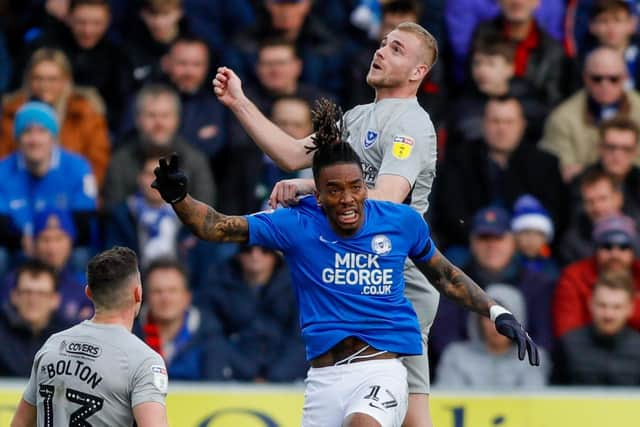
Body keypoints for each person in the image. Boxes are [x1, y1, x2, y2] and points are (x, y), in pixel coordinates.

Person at [151, 100, 539, 427]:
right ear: (316, 194)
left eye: (356, 187)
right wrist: (179, 198)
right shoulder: (297, 224)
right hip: (324, 379)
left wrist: (496, 310)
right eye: (334, 190)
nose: (348, 198)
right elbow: (217, 227)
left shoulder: (400, 221)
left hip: (381, 370)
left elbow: (446, 275)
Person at [213, 22, 441, 426]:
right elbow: (288, 153)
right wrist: (240, 103)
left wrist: (311, 186)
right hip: (355, 268)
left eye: (398, 49)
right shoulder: (357, 117)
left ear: (416, 72)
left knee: (410, 406)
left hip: (396, 272)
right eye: (384, 43)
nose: (383, 51)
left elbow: (388, 199)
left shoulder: (411, 125)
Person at [10, 246, 168, 427]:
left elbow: (19, 423)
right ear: (138, 293)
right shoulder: (144, 361)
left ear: (89, 293)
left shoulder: (53, 345)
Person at [1, 48, 110, 185]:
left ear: (66, 80)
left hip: (71, 191)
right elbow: (4, 159)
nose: (44, 86)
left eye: (52, 79)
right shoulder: (12, 112)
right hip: (19, 191)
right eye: (38, 78)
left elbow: (98, 164)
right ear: (28, 79)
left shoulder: (85, 111)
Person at [199, 244, 307, 382]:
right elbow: (213, 336)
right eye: (247, 249)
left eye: (265, 249)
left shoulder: (299, 285)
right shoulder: (216, 283)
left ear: (276, 254)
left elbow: (301, 339)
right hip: (232, 377)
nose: (255, 255)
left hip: (288, 380)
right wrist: (249, 375)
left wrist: (275, 378)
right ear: (237, 253)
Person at [0, 101, 97, 254]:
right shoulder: (3, 171)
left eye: (42, 131)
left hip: (66, 247)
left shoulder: (78, 167)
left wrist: (54, 244)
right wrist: (24, 241)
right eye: (27, 132)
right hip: (19, 246)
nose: (34, 140)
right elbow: (2, 223)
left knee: (82, 255)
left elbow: (84, 223)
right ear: (17, 140)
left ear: (54, 137)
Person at [103, 84, 214, 210]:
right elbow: (112, 214)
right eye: (151, 115)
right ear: (138, 119)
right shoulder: (120, 162)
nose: (159, 123)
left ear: (177, 119)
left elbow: (205, 215)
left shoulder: (195, 162)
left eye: (165, 116)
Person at [540, 47, 640, 183]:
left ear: (625, 78)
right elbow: (563, 171)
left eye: (614, 79)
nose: (605, 85)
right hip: (585, 196)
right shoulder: (562, 118)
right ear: (586, 78)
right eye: (597, 79)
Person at [135, 257, 233, 381]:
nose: (165, 299)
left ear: (187, 297)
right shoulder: (130, 335)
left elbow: (216, 391)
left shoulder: (211, 338)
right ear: (146, 297)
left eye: (173, 291)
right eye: (157, 291)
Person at [436, 284, 550, 388]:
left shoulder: (533, 357)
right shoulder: (456, 356)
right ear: (478, 320)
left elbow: (532, 402)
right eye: (489, 317)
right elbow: (449, 400)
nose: (497, 326)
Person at [553, 214, 640, 337]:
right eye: (607, 246)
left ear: (633, 252)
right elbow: (567, 333)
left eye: (623, 247)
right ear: (596, 250)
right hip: (587, 352)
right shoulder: (573, 277)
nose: (615, 254)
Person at [553, 270, 640, 385]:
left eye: (617, 307)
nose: (608, 314)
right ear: (590, 304)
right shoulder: (568, 345)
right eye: (602, 305)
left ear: (630, 308)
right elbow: (552, 393)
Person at [0, 259, 69, 377]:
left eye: (41, 294)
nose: (33, 300)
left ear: (55, 300)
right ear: (14, 296)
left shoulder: (68, 337)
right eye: (27, 292)